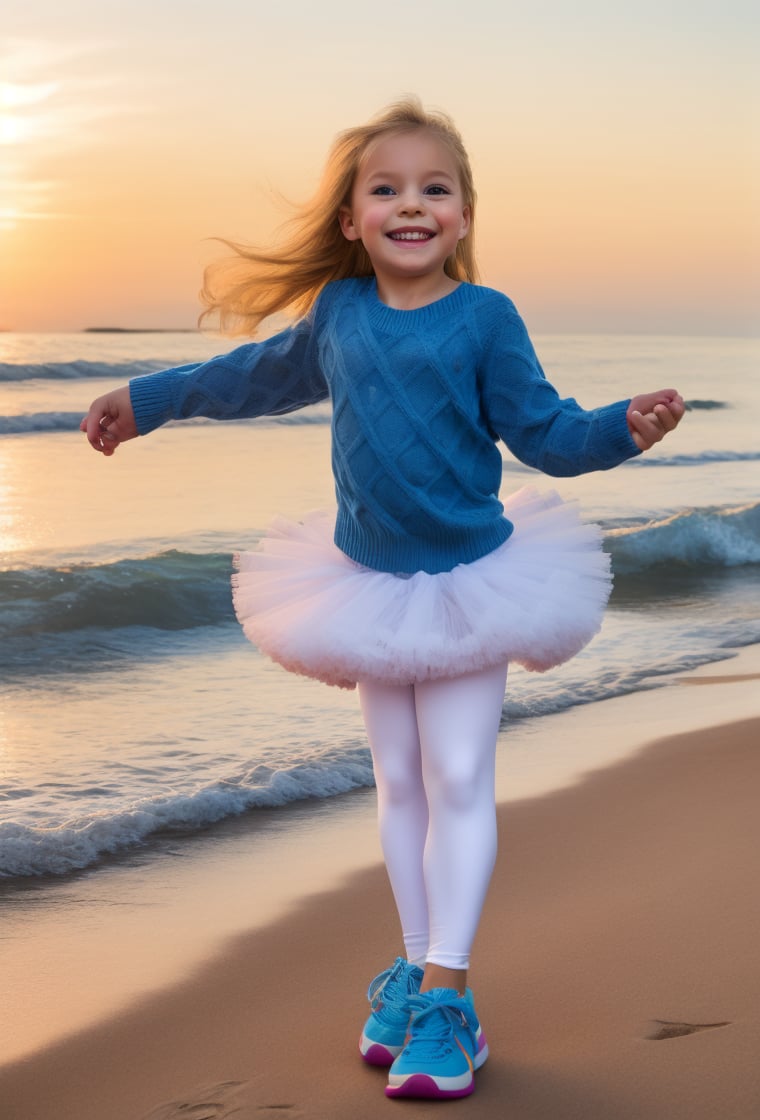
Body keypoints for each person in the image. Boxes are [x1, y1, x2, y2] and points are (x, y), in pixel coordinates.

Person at [81, 98, 684, 1101]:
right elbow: (252, 377)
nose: (412, 203)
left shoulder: (485, 319)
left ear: (462, 216)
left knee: (456, 775)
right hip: (365, 581)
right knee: (399, 782)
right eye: (387, 188)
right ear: (354, 218)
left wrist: (621, 426)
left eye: (434, 188)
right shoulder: (340, 314)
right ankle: (416, 967)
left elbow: (545, 432)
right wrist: (147, 400)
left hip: (469, 584)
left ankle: (449, 994)